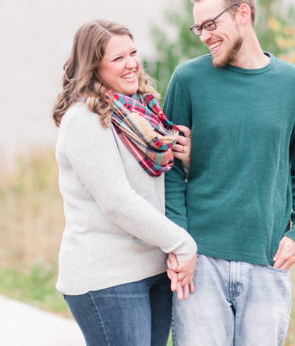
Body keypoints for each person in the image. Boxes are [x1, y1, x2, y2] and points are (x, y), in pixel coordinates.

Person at [163, 0, 295, 346]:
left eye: (210, 24)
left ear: (242, 14)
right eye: (198, 28)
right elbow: (169, 168)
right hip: (200, 262)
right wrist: (180, 243)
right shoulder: (188, 79)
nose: (204, 35)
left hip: (267, 261)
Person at [53, 19, 198, 346]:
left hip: (154, 269)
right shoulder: (84, 120)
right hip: (108, 276)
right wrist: (183, 244)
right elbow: (117, 200)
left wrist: (185, 162)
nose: (131, 63)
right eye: (117, 58)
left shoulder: (143, 114)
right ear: (93, 66)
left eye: (132, 52)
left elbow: (156, 186)